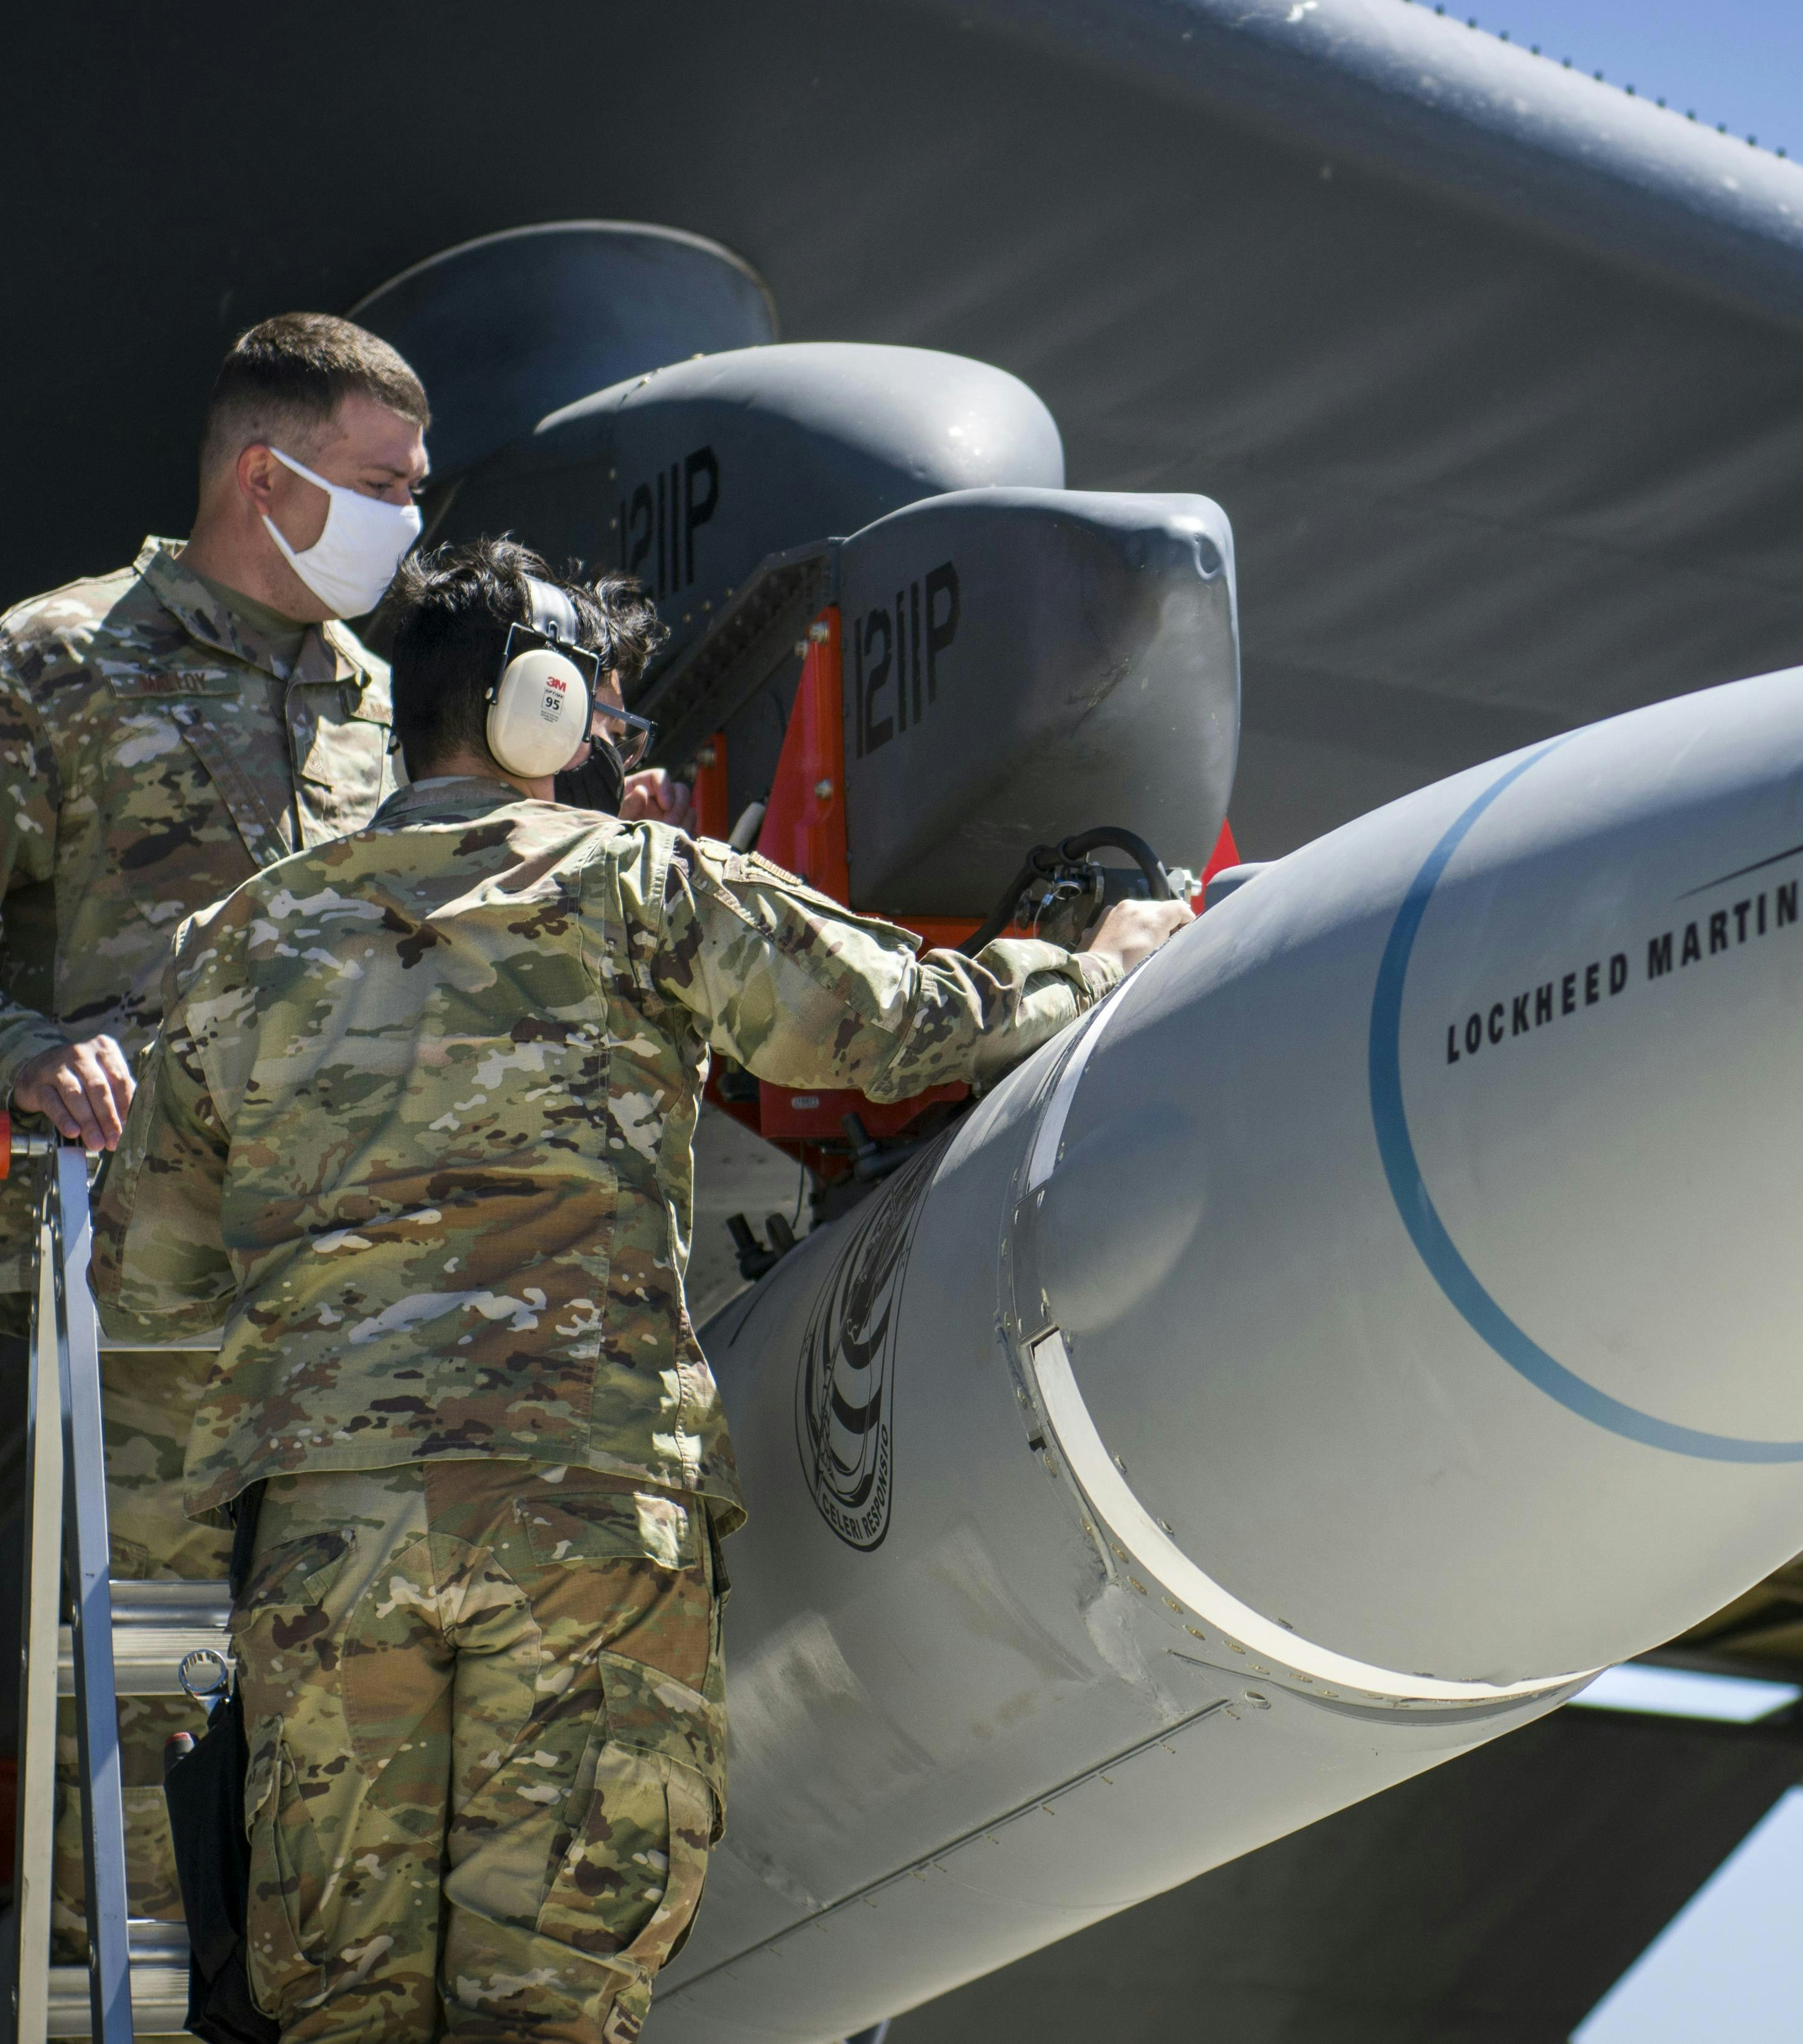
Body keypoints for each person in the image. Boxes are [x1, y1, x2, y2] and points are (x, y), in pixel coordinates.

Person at [113, 538, 1190, 2042]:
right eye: (603, 706)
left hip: (329, 1541)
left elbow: (150, 1275)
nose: (616, 741)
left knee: (339, 2011)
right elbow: (886, 1025)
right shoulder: (638, 885)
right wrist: (1091, 963)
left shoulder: (238, 943)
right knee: (547, 2003)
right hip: (583, 1516)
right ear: (537, 706)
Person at [0, 311, 429, 1937]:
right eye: (383, 480)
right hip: (149, 1290)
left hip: (365, 1303)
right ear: (268, 472)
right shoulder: (63, 656)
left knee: (378, 1725)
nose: (409, 516)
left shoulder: (372, 697)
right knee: (154, 1718)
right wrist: (21, 1053)